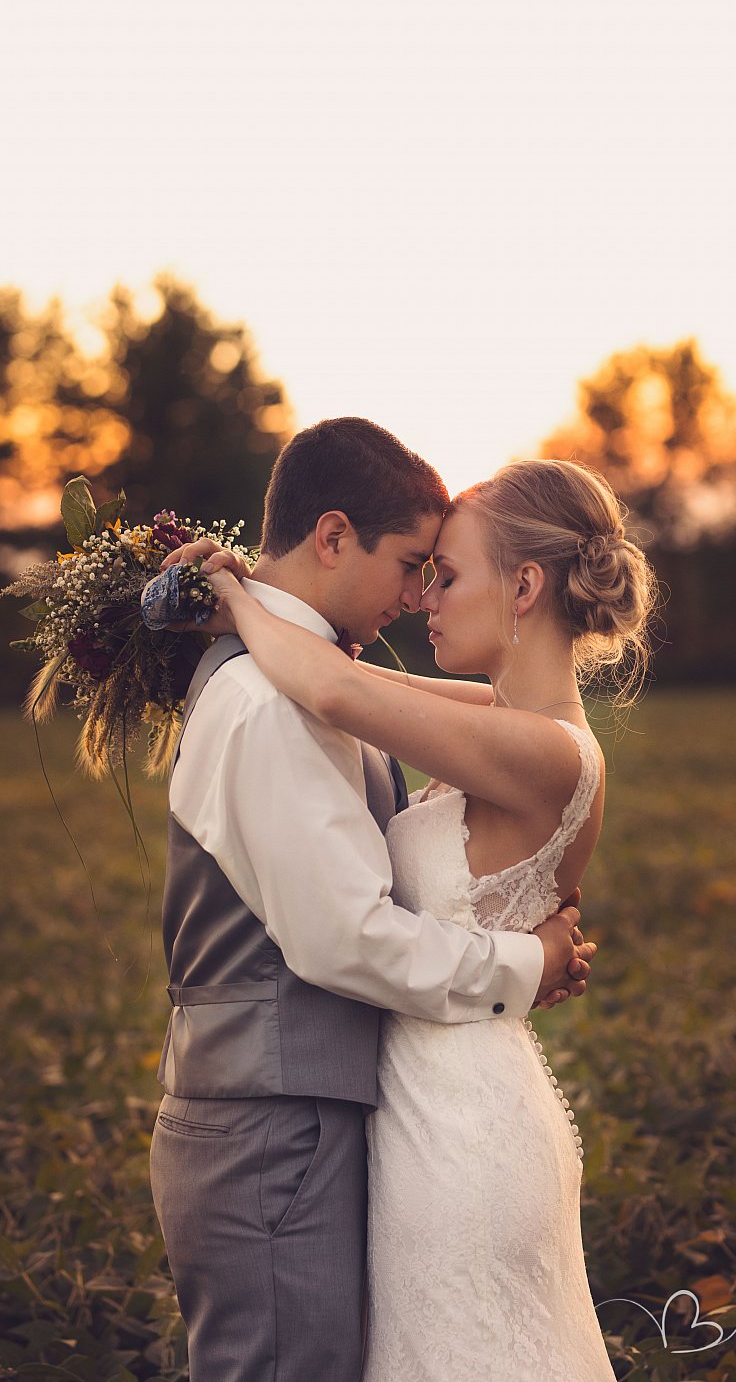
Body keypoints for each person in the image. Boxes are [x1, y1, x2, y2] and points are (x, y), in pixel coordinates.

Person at [148, 418, 596, 1382]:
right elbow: (345, 937)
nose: (416, 595)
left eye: (441, 572)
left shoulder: (323, 686)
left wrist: (237, 598)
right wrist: (529, 960)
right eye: (411, 564)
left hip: (385, 1118)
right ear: (333, 535)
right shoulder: (276, 698)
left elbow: (349, 690)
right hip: (278, 1122)